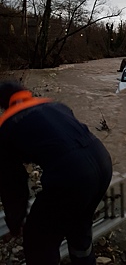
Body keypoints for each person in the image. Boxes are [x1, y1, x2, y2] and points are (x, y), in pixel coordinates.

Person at [0, 81, 112, 265]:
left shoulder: (6, 123)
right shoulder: (54, 104)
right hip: (103, 162)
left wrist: (15, 221)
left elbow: (13, 182)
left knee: (38, 238)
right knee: (79, 225)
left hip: (72, 175)